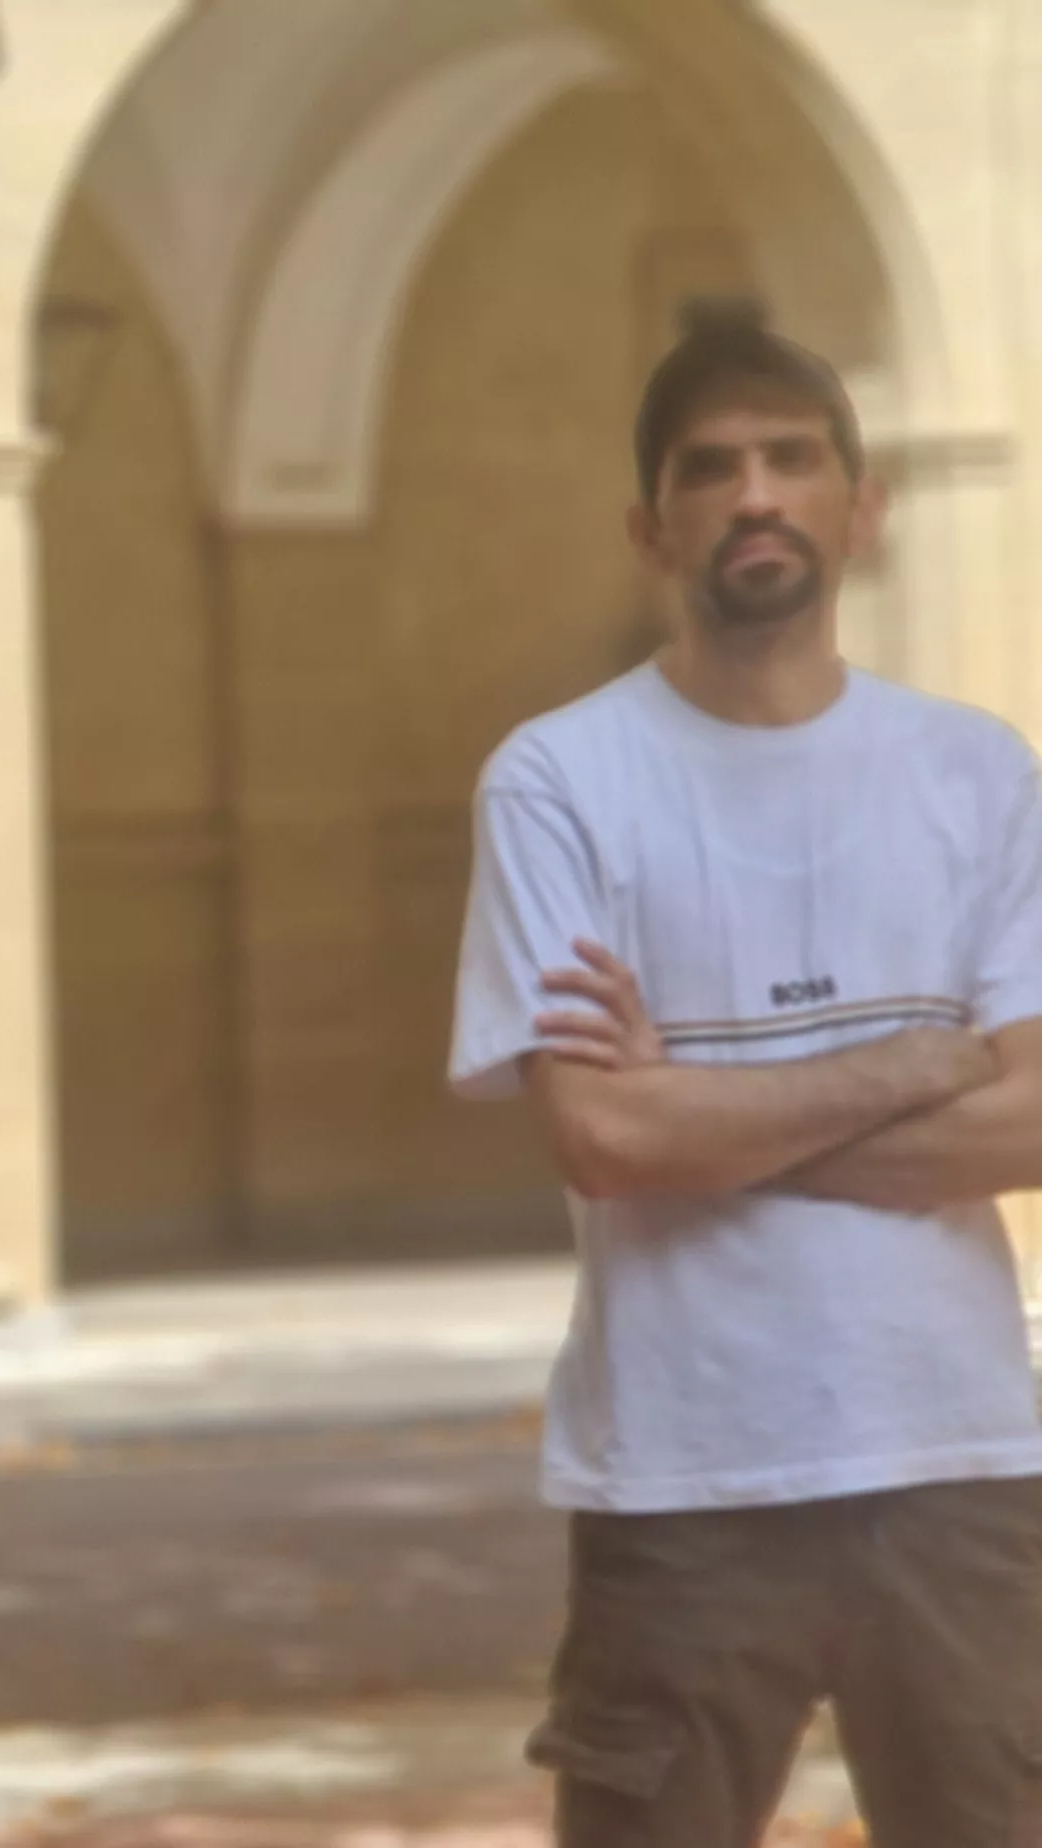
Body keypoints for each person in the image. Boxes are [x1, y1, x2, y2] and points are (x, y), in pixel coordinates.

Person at [449, 320, 1042, 1846]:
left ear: (864, 507)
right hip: (683, 1481)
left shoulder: (980, 775)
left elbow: (1039, 1118)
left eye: (793, 458)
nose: (755, 493)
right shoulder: (560, 779)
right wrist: (917, 1064)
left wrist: (701, 1119)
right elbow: (601, 1136)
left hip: (962, 1465)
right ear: (654, 528)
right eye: (710, 469)